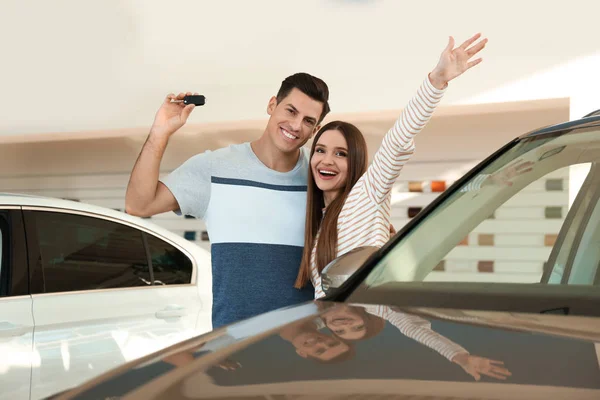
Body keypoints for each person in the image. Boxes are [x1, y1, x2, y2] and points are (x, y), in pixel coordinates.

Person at [125, 73, 331, 328]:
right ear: (271, 105)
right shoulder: (215, 167)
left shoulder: (321, 177)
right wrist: (160, 132)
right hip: (233, 350)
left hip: (304, 347)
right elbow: (139, 204)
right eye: (291, 111)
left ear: (316, 130)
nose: (296, 125)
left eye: (308, 121)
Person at [293, 33, 488, 297]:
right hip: (334, 332)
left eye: (341, 154)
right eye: (320, 150)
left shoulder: (366, 193)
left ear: (357, 162)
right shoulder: (319, 220)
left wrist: (436, 82)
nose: (327, 160)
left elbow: (396, 142)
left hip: (367, 328)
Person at [321, 304, 512, 381]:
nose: (346, 325)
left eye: (339, 331)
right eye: (357, 327)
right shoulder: (380, 307)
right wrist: (460, 357)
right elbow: (413, 329)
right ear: (368, 319)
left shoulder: (315, 309)